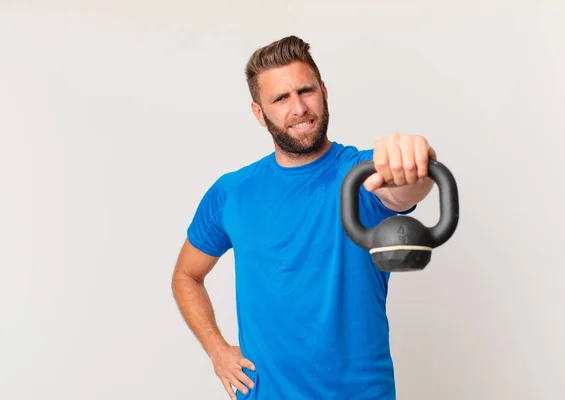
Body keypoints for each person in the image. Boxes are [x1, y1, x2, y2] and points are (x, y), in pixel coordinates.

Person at [171, 35, 437, 400]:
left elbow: (403, 188)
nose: (298, 108)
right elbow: (186, 275)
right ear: (259, 112)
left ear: (324, 92)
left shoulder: (359, 172)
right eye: (280, 98)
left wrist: (416, 161)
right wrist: (217, 350)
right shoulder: (232, 192)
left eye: (306, 91)